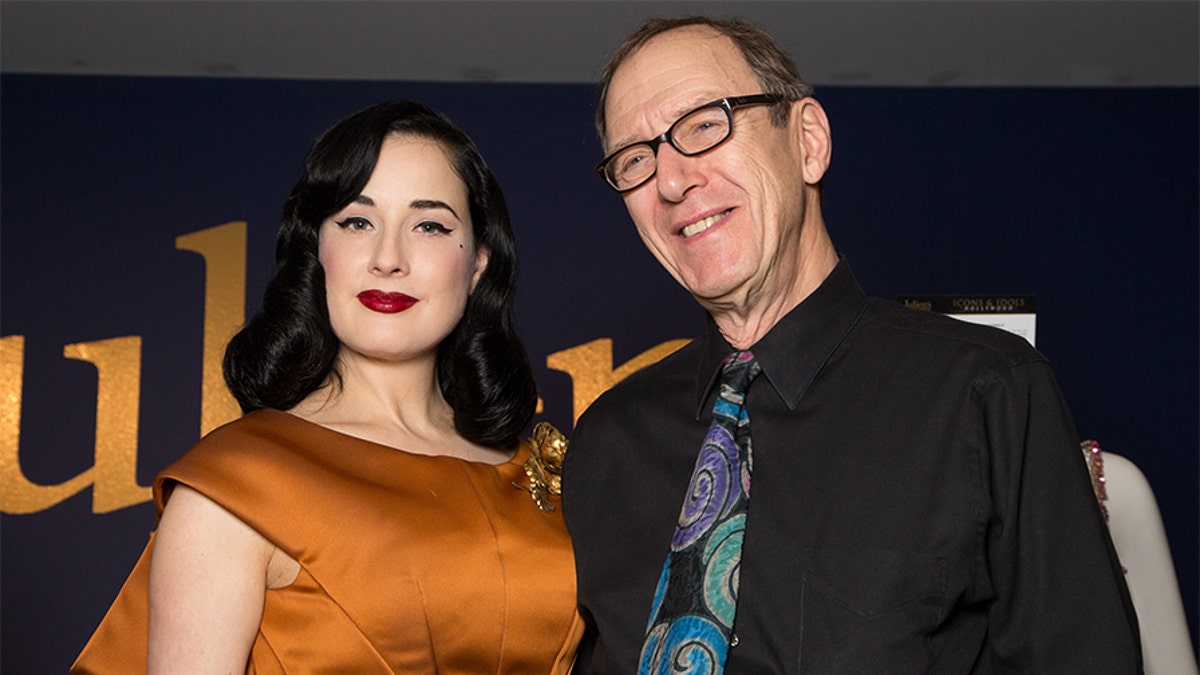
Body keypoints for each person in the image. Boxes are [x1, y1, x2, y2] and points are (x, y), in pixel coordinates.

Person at [562, 16, 1141, 673]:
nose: (670, 180)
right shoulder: (607, 442)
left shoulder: (986, 393)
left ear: (807, 141)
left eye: (704, 123)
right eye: (635, 159)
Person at [72, 100, 582, 673]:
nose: (388, 259)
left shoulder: (541, 467)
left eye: (430, 225)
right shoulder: (238, 483)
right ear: (318, 249)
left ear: (479, 263)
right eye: (357, 222)